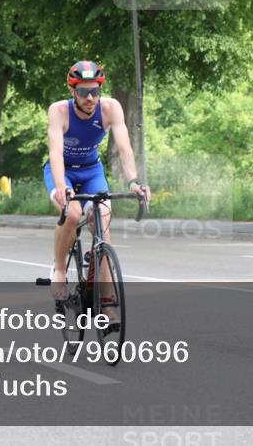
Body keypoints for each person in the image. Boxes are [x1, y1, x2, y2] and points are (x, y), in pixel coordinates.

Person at [45, 60, 150, 318]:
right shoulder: (59, 111)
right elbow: (55, 153)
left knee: (102, 220)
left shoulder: (111, 108)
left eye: (95, 90)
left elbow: (124, 147)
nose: (90, 97)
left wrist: (134, 182)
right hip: (63, 171)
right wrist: (61, 187)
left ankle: (106, 298)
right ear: (72, 91)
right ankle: (59, 270)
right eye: (83, 92)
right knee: (71, 213)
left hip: (92, 170)